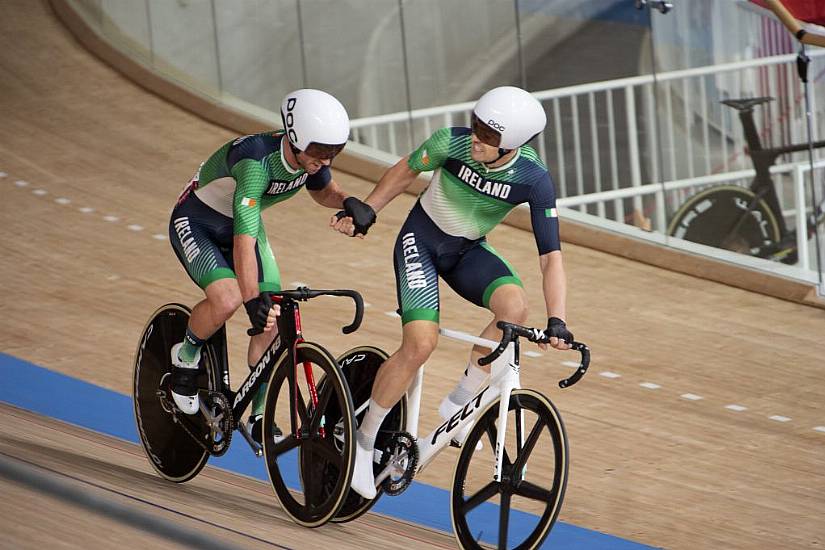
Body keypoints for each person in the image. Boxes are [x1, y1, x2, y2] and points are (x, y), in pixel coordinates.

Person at [336, 86, 574, 499]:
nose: (477, 138)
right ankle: (364, 439)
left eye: (488, 135)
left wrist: (559, 319)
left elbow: (550, 256)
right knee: (420, 345)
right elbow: (406, 169)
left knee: (515, 308)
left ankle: (460, 398)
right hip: (421, 243)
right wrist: (370, 209)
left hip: (467, 251)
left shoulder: (533, 179)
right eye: (477, 124)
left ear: (513, 146)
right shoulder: (451, 142)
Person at [168, 88, 375, 445]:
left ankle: (259, 412)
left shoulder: (307, 158)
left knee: (274, 313)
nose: (326, 160)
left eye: (334, 153)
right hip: (198, 222)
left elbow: (323, 189)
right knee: (230, 300)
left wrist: (348, 201)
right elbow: (243, 242)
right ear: (295, 139)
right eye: (320, 152)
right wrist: (251, 299)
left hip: (240, 223)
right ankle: (185, 354)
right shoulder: (255, 166)